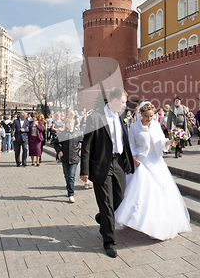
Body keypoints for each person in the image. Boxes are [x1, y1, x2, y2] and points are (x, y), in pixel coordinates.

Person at [115, 102, 191, 240]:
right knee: (144, 193)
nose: (149, 119)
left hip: (156, 161)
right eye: (146, 116)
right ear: (140, 115)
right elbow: (130, 144)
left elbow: (161, 142)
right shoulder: (134, 127)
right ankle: (139, 221)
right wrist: (133, 158)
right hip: (142, 163)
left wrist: (171, 142)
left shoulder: (156, 125)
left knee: (161, 194)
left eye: (151, 116)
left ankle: (158, 225)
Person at [80, 87, 135, 258]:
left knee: (120, 197)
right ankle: (109, 242)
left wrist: (129, 162)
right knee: (107, 204)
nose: (126, 106)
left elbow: (124, 142)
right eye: (124, 102)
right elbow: (87, 145)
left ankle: (103, 218)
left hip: (118, 163)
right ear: (115, 101)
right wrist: (85, 170)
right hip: (101, 165)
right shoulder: (95, 118)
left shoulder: (121, 118)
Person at [54, 117, 83, 203]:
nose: (70, 125)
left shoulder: (78, 133)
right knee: (66, 175)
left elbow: (84, 142)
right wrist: (59, 151)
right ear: (66, 125)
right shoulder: (63, 134)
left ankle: (71, 194)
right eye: (68, 124)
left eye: (71, 123)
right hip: (65, 157)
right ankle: (68, 188)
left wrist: (81, 150)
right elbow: (55, 143)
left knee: (71, 175)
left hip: (74, 157)